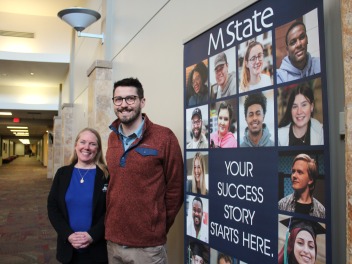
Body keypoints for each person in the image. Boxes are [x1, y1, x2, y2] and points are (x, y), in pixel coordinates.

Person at [105, 77, 184, 263]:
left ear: (142, 102)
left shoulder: (164, 137)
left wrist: (156, 226)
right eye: (118, 99)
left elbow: (176, 189)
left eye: (130, 98)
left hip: (148, 247)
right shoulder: (111, 138)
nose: (124, 105)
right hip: (113, 241)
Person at [47, 128, 109, 264]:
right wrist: (68, 235)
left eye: (92, 144)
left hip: (97, 248)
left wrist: (92, 235)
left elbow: (111, 211)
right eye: (83, 142)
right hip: (68, 247)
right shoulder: (62, 174)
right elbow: (53, 208)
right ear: (76, 145)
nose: (86, 147)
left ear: (98, 149)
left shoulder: (106, 176)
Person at [278, 153, 325, 218]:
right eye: (293, 171)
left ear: (310, 180)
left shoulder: (321, 211)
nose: (294, 175)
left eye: (300, 172)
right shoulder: (282, 204)